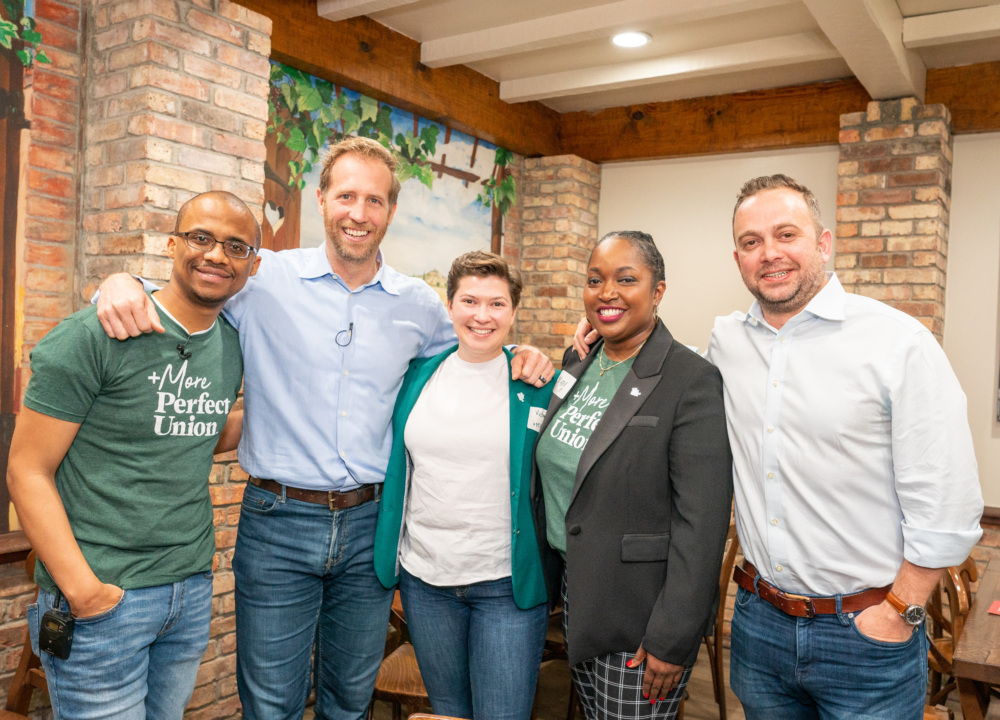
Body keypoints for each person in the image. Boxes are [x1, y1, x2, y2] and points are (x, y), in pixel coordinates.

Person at [93, 136, 554, 720]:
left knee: (349, 700)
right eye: (347, 196)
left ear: (389, 210)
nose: (359, 213)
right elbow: (186, 294)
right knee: (271, 702)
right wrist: (119, 283)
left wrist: (523, 354)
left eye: (375, 200)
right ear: (322, 199)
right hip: (277, 523)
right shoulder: (262, 281)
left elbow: (474, 349)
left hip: (370, 526)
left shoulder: (418, 305)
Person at [707, 174, 984, 720]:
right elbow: (657, 367)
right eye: (751, 241)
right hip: (759, 627)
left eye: (786, 234)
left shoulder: (897, 343)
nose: (769, 254)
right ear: (737, 257)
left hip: (864, 636)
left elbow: (947, 503)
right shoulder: (726, 343)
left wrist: (898, 611)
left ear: (824, 243)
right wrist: (593, 332)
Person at [6, 191, 261, 720]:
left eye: (235, 247)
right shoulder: (94, 335)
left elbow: (196, 429)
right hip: (104, 596)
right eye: (201, 238)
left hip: (187, 592)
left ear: (251, 266)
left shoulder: (231, 345)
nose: (217, 254)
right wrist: (83, 591)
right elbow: (27, 471)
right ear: (171, 244)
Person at [532, 231, 733, 720]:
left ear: (657, 291)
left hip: (641, 618)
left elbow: (701, 524)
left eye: (626, 279)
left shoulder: (690, 379)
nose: (607, 292)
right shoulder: (579, 363)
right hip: (576, 596)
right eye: (595, 280)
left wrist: (673, 634)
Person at [373, 251, 552, 720]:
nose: (482, 315)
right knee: (448, 712)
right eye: (469, 301)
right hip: (425, 582)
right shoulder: (417, 376)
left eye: (497, 304)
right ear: (449, 306)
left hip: (504, 586)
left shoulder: (536, 383)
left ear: (514, 313)